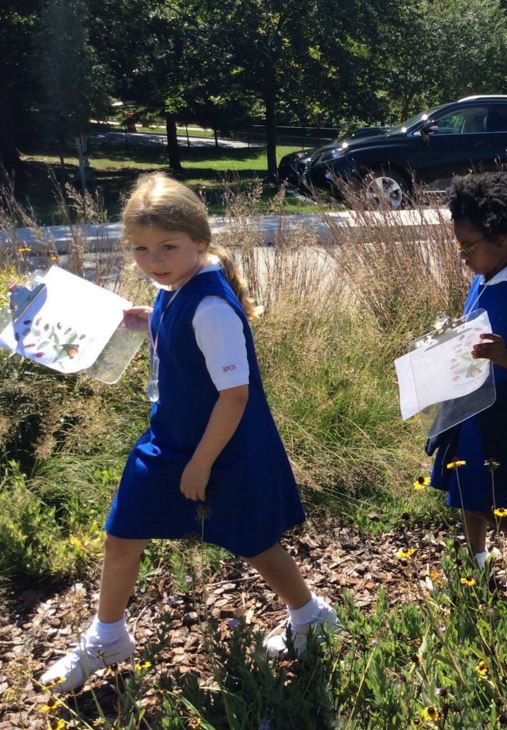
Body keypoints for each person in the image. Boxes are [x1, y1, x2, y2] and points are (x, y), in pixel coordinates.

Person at [41, 173, 337, 694]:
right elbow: (169, 322)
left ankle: (310, 616)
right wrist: (143, 319)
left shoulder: (211, 307)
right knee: (122, 533)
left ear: (199, 241)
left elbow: (235, 396)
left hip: (221, 450)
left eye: (167, 247)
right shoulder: (174, 288)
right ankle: (108, 636)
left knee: (254, 543)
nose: (153, 260)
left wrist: (200, 464)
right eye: (140, 249)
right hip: (169, 441)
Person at [427, 172, 507, 591]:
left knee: (495, 498)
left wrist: (503, 355)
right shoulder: (482, 281)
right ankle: (475, 561)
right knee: (466, 490)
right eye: (459, 246)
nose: (463, 256)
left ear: (500, 240)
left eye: (468, 247)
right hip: (472, 407)